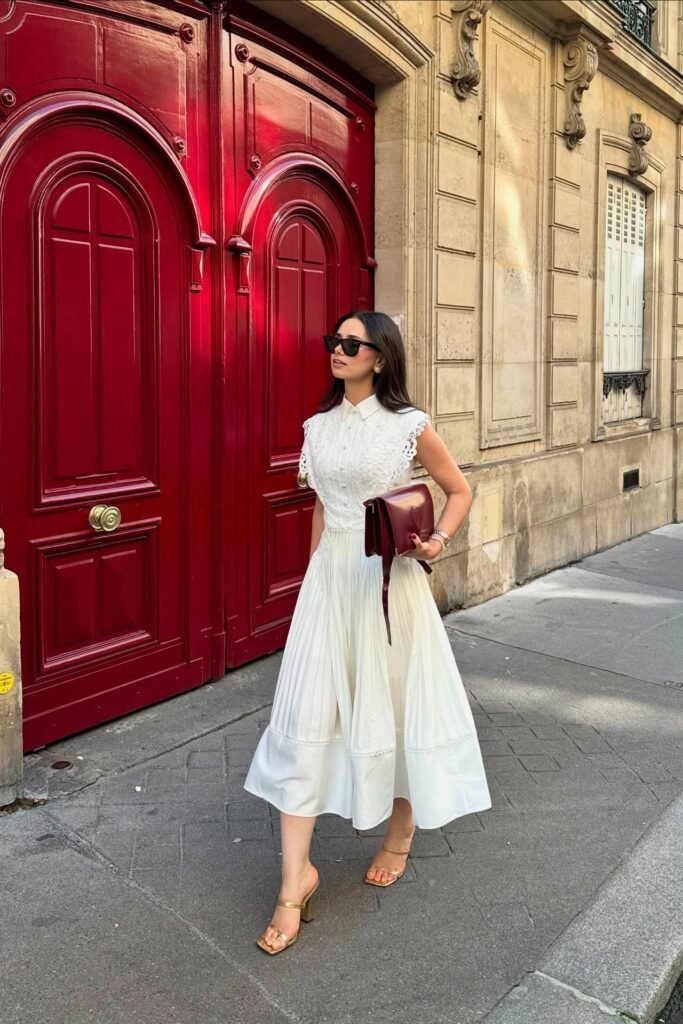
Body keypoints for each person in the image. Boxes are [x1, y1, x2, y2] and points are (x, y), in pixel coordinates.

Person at [244, 311, 491, 955]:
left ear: (380, 357)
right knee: (305, 717)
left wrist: (437, 539)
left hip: (389, 585)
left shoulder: (409, 427)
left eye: (352, 343)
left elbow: (458, 490)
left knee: (400, 703)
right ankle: (294, 879)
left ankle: (400, 832)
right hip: (331, 586)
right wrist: (310, 582)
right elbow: (323, 507)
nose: (338, 350)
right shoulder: (316, 428)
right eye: (334, 340)